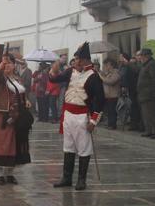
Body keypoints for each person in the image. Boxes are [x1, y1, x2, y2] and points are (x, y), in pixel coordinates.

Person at [50, 42, 104, 191]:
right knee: (68, 147)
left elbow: (100, 101)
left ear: (85, 60)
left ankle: (81, 180)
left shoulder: (94, 76)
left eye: (78, 59)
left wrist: (93, 120)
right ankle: (66, 178)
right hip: (68, 114)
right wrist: (53, 71)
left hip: (83, 115)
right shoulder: (70, 72)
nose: (76, 62)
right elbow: (54, 79)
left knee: (84, 148)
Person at [0, 53, 32, 185]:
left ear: (14, 65)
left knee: (14, 145)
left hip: (17, 116)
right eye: (5, 63)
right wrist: (1, 66)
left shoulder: (18, 79)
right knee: (1, 145)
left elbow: (21, 93)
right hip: (3, 115)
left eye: (10, 62)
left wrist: (26, 100)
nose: (8, 65)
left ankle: (10, 174)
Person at [137, 48, 155, 139]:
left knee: (153, 114)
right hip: (144, 95)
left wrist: (154, 94)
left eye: (142, 56)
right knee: (146, 114)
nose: (140, 57)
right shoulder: (145, 65)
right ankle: (149, 130)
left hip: (149, 95)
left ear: (147, 56)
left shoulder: (152, 65)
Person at [99, 58, 121, 130]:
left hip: (113, 95)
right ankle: (109, 123)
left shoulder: (116, 73)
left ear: (111, 65)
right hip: (107, 95)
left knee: (112, 110)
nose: (106, 67)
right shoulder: (108, 73)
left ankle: (113, 125)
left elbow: (111, 81)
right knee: (108, 110)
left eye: (107, 65)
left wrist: (102, 77)